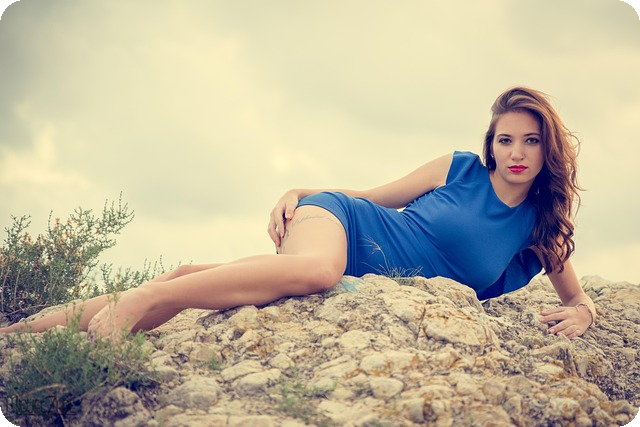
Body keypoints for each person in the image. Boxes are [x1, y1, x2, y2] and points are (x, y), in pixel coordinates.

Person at [0, 86, 595, 340]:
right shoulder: (459, 169)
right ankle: (148, 298)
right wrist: (304, 192)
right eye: (505, 139)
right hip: (342, 225)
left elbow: (576, 297)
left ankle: (21, 334)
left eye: (531, 140)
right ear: (491, 143)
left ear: (548, 148)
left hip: (353, 267)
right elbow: (369, 198)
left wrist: (585, 314)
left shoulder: (539, 228)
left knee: (198, 280)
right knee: (317, 271)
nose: (516, 153)